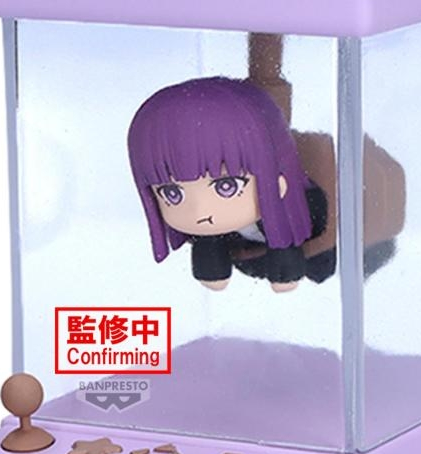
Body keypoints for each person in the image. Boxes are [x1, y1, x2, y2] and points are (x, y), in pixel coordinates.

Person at [128, 76, 330, 292]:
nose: (200, 212)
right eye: (171, 193)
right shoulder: (208, 233)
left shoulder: (307, 207)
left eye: (226, 186)